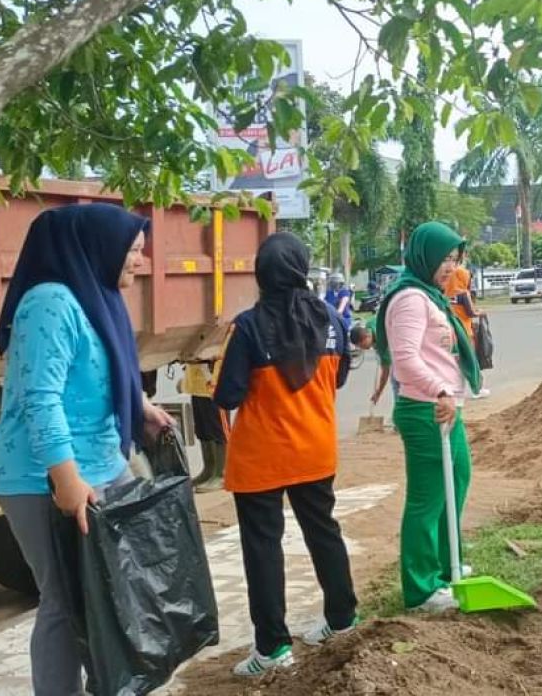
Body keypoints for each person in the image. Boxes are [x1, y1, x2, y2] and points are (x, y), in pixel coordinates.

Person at [0, 204, 176, 696]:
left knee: (115, 591)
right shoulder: (49, 303)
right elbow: (40, 398)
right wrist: (67, 481)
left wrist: (141, 405)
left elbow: (100, 366)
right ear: (98, 248)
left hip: (102, 463)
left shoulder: (96, 297)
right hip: (41, 477)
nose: (139, 261)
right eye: (132, 252)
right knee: (65, 601)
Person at [214, 233, 359, 676]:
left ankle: (273, 648)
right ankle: (343, 618)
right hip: (315, 449)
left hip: (262, 457)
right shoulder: (332, 321)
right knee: (323, 532)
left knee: (263, 549)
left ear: (261, 274)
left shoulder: (249, 326)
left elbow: (229, 393)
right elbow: (339, 381)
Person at [375, 221, 483, 612]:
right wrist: (439, 390)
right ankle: (421, 588)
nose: (449, 267)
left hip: (444, 405)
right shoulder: (410, 299)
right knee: (427, 498)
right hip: (424, 408)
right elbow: (405, 359)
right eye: (443, 259)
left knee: (456, 480)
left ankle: (445, 563)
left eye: (455, 260)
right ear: (424, 256)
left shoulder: (431, 296)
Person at [179, 360, 227, 493]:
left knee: (215, 427)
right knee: (202, 427)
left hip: (212, 376)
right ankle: (209, 469)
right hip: (196, 377)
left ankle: (221, 472)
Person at [444, 258, 489, 399]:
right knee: (470, 360)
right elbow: (471, 313)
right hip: (464, 331)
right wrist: (481, 312)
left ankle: (451, 390)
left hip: (449, 331)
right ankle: (477, 389)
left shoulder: (445, 293)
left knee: (452, 362)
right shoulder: (463, 293)